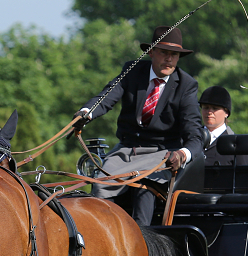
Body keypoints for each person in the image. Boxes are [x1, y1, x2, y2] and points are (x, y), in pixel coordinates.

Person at [75, 25, 205, 225]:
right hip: (125, 151)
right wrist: (86, 113)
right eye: (164, 52)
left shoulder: (186, 86)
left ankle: (143, 244)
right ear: (151, 52)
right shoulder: (132, 71)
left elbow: (195, 136)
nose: (169, 59)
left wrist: (182, 154)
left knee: (144, 189)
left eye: (174, 54)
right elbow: (107, 97)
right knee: (99, 187)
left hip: (161, 155)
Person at [199, 85, 248, 166]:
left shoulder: (237, 145)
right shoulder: (190, 138)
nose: (209, 112)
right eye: (206, 107)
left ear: (226, 112)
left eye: (215, 108)